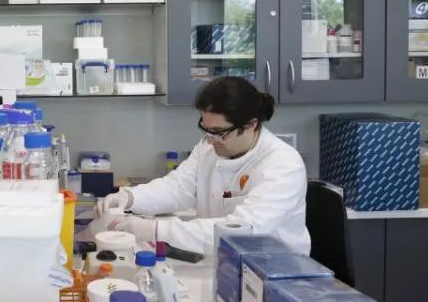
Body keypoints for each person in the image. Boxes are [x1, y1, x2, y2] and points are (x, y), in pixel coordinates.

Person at [96, 77, 309, 255]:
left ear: (250, 125)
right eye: (205, 128)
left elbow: (239, 232)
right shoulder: (210, 148)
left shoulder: (283, 165)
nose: (210, 139)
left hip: (274, 272)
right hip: (224, 263)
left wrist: (156, 229)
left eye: (219, 132)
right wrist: (130, 197)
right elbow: (177, 188)